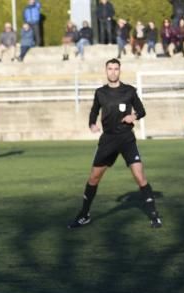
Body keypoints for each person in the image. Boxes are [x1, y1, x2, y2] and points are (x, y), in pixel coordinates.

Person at [68, 59, 163, 230]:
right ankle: (84, 215)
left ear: (120, 71)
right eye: (110, 69)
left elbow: (141, 111)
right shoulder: (100, 93)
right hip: (108, 140)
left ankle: (154, 216)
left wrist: (133, 117)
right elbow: (94, 111)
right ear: (106, 71)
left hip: (127, 138)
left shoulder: (129, 91)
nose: (113, 72)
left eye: (116, 69)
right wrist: (92, 124)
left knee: (140, 176)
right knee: (94, 178)